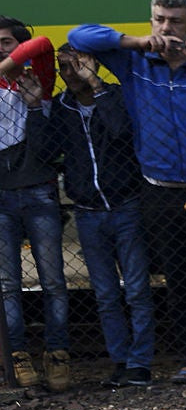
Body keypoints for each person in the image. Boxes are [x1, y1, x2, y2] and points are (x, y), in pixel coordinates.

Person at [70, 0, 186, 384]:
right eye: (160, 20)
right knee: (178, 278)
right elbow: (78, 36)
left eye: (175, 21)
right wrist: (135, 41)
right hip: (160, 189)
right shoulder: (134, 62)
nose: (167, 28)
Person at [45, 45, 153, 388]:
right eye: (64, 67)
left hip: (126, 205)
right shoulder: (62, 107)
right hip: (89, 211)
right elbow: (48, 151)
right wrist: (35, 107)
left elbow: (122, 130)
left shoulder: (117, 96)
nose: (71, 73)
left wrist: (98, 85)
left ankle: (141, 363)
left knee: (136, 289)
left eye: (78, 65)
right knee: (105, 294)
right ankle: (120, 360)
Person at [0, 17, 66, 391]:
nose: (0, 48)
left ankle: (58, 355)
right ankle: (18, 358)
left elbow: (41, 42)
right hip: (1, 197)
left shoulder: (36, 81)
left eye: (6, 42)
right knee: (8, 284)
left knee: (54, 281)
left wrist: (34, 101)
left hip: (39, 191)